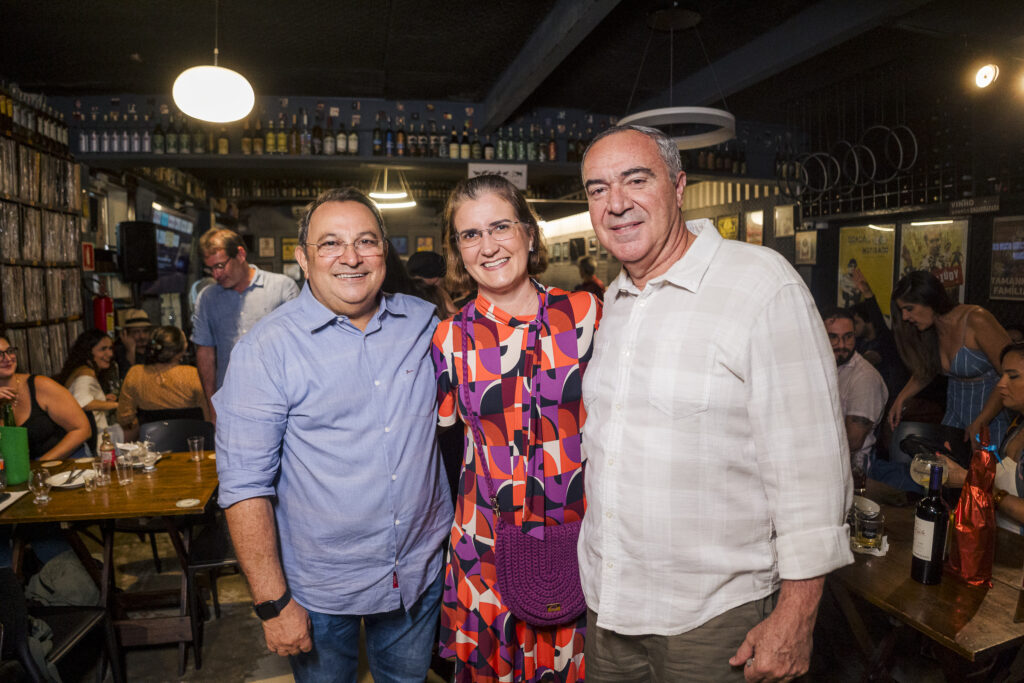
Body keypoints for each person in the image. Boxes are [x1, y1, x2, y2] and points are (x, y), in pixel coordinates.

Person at [578, 124, 852, 682]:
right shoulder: (618, 297)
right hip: (609, 607)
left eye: (636, 180)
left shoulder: (760, 285)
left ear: (678, 188)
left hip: (713, 622)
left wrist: (797, 615)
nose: (617, 204)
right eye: (598, 189)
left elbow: (812, 469)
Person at [215, 188, 453, 682]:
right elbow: (244, 486)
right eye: (330, 244)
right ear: (303, 257)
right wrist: (272, 602)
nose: (351, 257)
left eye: (366, 241)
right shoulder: (265, 351)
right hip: (318, 588)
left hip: (418, 570)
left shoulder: (424, 323)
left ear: (383, 253)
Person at [432, 175, 601, 682]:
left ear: (528, 232)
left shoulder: (586, 315)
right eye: (470, 235)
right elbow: (440, 446)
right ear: (458, 252)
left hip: (580, 535)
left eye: (500, 226)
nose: (488, 246)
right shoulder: (449, 340)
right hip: (485, 542)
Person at [889, 270, 1012, 447]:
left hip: (991, 419)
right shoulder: (931, 331)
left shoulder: (976, 320)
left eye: (909, 309)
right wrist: (901, 398)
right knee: (945, 471)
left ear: (929, 299)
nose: (905, 317)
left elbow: (1010, 376)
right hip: (954, 419)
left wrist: (982, 420)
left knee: (986, 473)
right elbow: (926, 370)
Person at [191, 228, 299, 418]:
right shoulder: (207, 298)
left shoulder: (282, 287)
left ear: (240, 254)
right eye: (211, 269)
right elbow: (205, 354)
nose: (216, 275)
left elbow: (299, 347)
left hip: (280, 400)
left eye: (220, 265)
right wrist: (212, 406)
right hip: (231, 403)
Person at [938, 341, 1024, 534]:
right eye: (1002, 375)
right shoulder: (1017, 424)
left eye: (1013, 376)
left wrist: (970, 480)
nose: (1001, 383)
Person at [0, 330, 91, 461]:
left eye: (9, 351)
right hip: (20, 474)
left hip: (68, 463)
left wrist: (41, 465)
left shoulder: (40, 385)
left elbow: (83, 429)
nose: (8, 358)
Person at [824, 308, 888, 490]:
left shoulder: (865, 377)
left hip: (853, 475)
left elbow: (853, 441)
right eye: (833, 337)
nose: (841, 344)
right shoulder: (824, 367)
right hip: (828, 465)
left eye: (848, 337)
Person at [117, 326, 210, 441]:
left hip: (151, 449)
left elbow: (124, 419)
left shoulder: (135, 374)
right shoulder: (194, 375)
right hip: (193, 446)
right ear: (183, 348)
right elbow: (209, 419)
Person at [55, 330, 120, 449]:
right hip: (95, 441)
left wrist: (104, 400)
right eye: (103, 349)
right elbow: (82, 403)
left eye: (110, 348)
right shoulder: (86, 373)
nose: (110, 353)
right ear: (88, 352)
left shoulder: (82, 370)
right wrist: (116, 405)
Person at [113, 308, 153, 381]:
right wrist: (130, 351)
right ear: (125, 334)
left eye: (145, 331)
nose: (142, 336)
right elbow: (128, 380)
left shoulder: (153, 349)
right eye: (136, 332)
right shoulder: (118, 352)